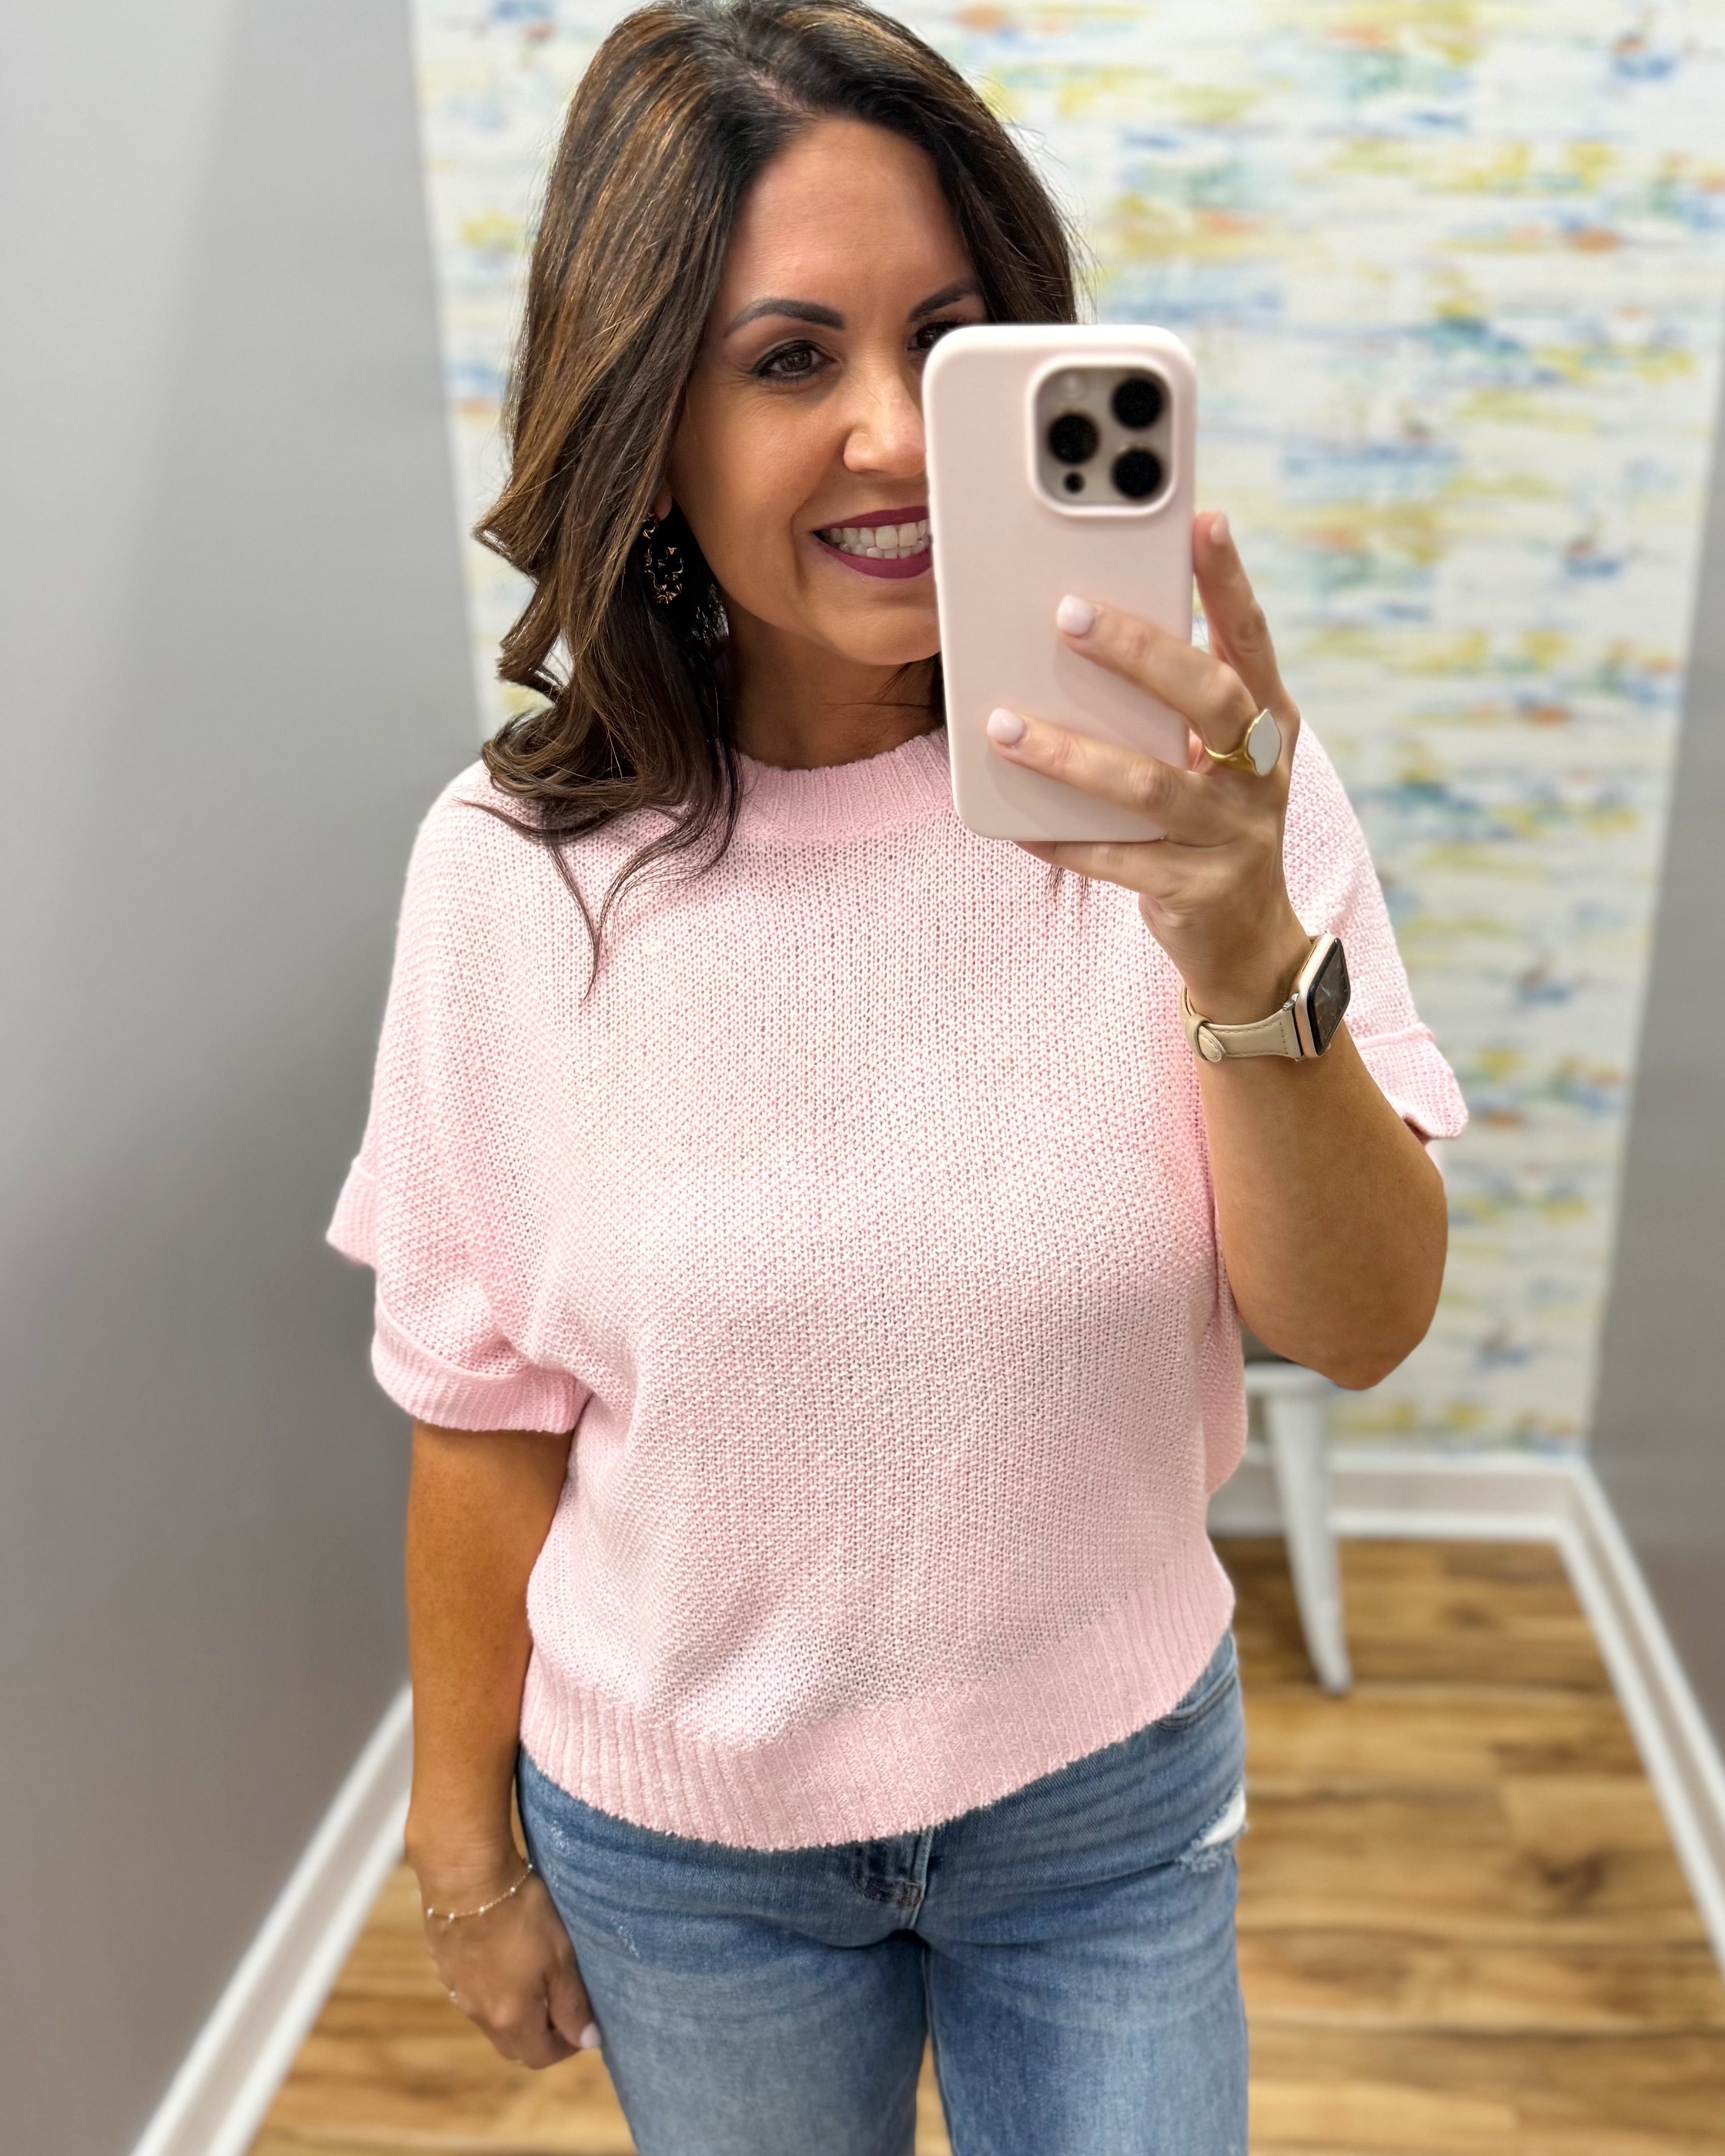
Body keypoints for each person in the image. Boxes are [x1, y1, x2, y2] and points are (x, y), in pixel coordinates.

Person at [328, 2, 1467, 2148]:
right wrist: (462, 1853)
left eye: (944, 351)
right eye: (786, 361)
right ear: (642, 412)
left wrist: (1232, 932)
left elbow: (1364, 1322)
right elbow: (479, 1414)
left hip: (1103, 1810)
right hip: (685, 1853)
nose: (885, 440)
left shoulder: (1197, 795)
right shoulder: (510, 876)